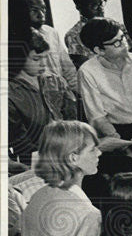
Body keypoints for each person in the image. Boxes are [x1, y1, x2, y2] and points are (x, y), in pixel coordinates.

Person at [21, 121, 105, 236]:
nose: (99, 153)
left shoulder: (37, 195)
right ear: (73, 158)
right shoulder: (88, 213)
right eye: (93, 149)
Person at [78, 18, 132, 140]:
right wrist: (118, 141)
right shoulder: (88, 71)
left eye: (123, 37)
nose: (124, 44)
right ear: (99, 50)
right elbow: (97, 117)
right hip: (120, 130)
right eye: (116, 43)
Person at [8, 28, 80, 164]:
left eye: (45, 58)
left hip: (70, 152)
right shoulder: (9, 94)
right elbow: (20, 141)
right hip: (37, 160)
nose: (43, 64)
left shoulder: (55, 81)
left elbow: (72, 119)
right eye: (36, 59)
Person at [21, 0, 79, 93]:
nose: (41, 15)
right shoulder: (15, 41)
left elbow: (69, 71)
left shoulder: (52, 33)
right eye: (34, 10)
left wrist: (79, 96)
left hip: (63, 98)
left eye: (43, 8)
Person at [64, 0, 132, 66]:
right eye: (94, 6)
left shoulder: (116, 26)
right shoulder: (73, 36)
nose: (101, 9)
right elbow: (85, 67)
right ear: (79, 7)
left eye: (101, 3)